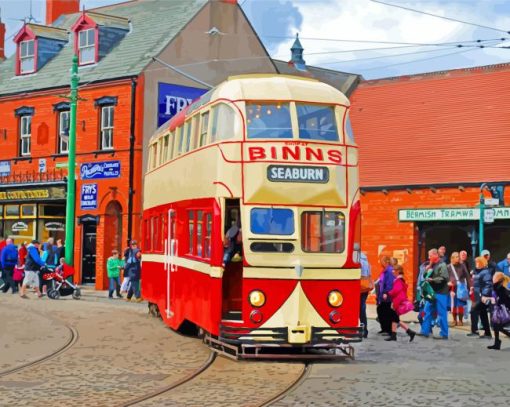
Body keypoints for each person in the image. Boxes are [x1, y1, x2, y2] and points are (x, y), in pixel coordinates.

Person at [419, 248, 450, 339]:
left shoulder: (442, 264)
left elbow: (444, 278)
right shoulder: (432, 265)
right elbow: (424, 276)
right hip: (432, 292)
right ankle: (425, 331)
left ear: (435, 255)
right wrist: (428, 267)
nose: (428, 257)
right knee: (427, 311)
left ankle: (444, 334)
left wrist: (432, 280)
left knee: (441, 313)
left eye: (430, 256)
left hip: (441, 293)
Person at [385, 265, 416, 342]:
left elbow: (396, 290)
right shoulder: (401, 279)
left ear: (398, 271)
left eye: (394, 270)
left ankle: (409, 332)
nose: (392, 271)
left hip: (397, 301)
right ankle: (395, 335)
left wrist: (388, 293)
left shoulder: (398, 280)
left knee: (394, 318)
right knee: (395, 319)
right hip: (399, 300)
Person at [467, 256, 493, 339]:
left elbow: (488, 284)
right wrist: (473, 287)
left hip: (482, 296)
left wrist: (485, 295)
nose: (476, 264)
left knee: (473, 310)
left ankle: (475, 331)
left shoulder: (485, 272)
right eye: (476, 262)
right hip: (478, 295)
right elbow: (478, 284)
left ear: (482, 263)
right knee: (483, 313)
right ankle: (487, 333)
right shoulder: (479, 272)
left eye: (478, 262)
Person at [487, 272, 510, 350]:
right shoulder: (496, 286)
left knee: (499, 327)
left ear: (498, 279)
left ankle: (497, 343)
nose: (493, 277)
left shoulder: (501, 288)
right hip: (498, 310)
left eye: (494, 277)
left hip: (503, 311)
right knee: (496, 327)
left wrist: (496, 301)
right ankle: (497, 343)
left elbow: (505, 300)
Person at [447, 252, 470, 326]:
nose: (458, 258)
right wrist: (448, 283)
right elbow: (446, 277)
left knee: (460, 305)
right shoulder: (448, 267)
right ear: (452, 258)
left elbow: (467, 276)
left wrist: (470, 287)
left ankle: (460, 320)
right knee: (453, 304)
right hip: (452, 288)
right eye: (456, 257)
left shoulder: (462, 265)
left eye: (458, 256)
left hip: (461, 287)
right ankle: (454, 320)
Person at [376, 256, 395, 335]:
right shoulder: (385, 270)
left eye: (382, 261)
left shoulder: (389, 271)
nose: (381, 263)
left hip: (386, 294)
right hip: (382, 293)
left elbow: (389, 283)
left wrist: (385, 292)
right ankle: (384, 328)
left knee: (385, 311)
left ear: (386, 262)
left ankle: (388, 329)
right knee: (381, 311)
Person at [359, 252, 373, 338]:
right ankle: (365, 329)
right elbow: (369, 275)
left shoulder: (358, 262)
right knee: (362, 308)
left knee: (357, 308)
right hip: (365, 288)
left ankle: (359, 328)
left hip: (358, 287)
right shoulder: (367, 263)